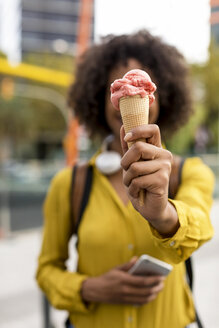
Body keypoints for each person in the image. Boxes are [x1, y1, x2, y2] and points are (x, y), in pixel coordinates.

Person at [36, 30, 214, 328]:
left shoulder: (190, 173)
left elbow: (201, 227)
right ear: (97, 98)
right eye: (117, 87)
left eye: (143, 91)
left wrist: (163, 214)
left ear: (163, 98)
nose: (129, 96)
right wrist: (90, 288)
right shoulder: (69, 184)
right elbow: (46, 271)